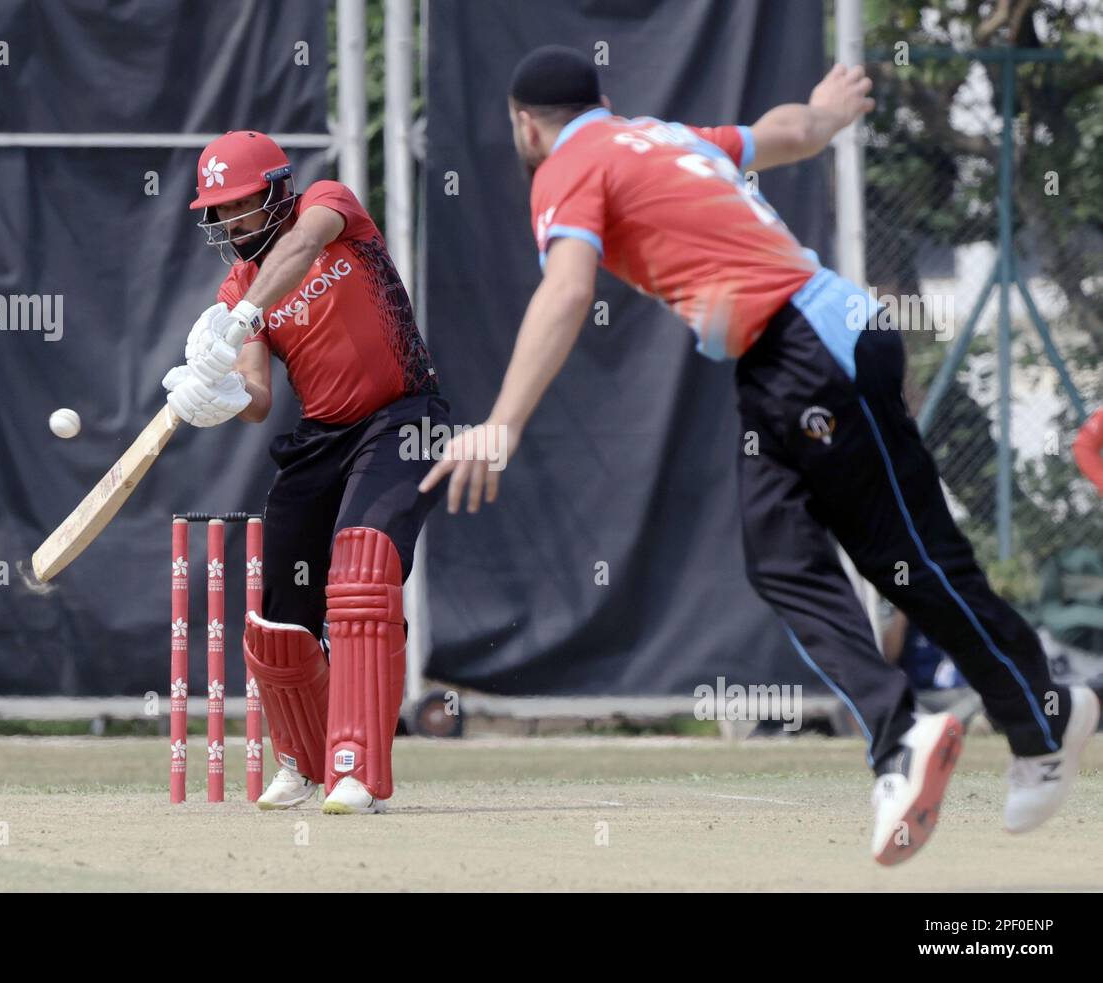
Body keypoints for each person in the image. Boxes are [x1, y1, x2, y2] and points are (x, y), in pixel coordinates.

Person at [420, 46, 1099, 864]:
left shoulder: (567, 166)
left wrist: (503, 420)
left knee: (910, 559)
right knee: (781, 556)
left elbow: (567, 288)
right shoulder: (663, 136)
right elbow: (789, 133)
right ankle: (921, 733)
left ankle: (1027, 716)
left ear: (526, 123)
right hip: (788, 356)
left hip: (810, 344)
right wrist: (827, 112)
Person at [164, 130, 448, 814]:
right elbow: (259, 401)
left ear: (278, 190)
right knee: (281, 614)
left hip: (403, 416)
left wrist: (242, 317)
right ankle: (302, 757)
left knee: (364, 563)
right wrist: (222, 395)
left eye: (243, 204)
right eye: (221, 210)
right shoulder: (237, 287)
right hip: (321, 439)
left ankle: (358, 767)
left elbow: (298, 249)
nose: (232, 221)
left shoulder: (329, 204)